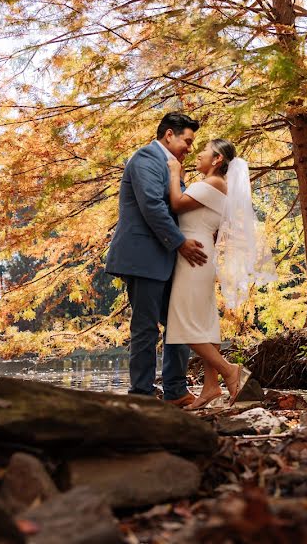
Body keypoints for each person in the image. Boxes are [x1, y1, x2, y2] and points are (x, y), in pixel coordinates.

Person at [105, 112, 207, 407]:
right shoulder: (146, 159)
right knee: (147, 327)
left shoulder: (171, 166)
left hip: (165, 258)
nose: (189, 147)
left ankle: (175, 391)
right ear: (169, 135)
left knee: (179, 323)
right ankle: (142, 394)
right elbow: (151, 205)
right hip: (143, 257)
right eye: (187, 141)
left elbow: (180, 205)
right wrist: (180, 243)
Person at [165, 139, 276, 409]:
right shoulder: (218, 187)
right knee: (204, 323)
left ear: (216, 160)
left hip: (192, 255)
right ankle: (211, 387)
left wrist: (174, 172)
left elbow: (177, 204)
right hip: (201, 252)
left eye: (204, 151)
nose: (198, 155)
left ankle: (229, 371)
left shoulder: (214, 183)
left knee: (183, 325)